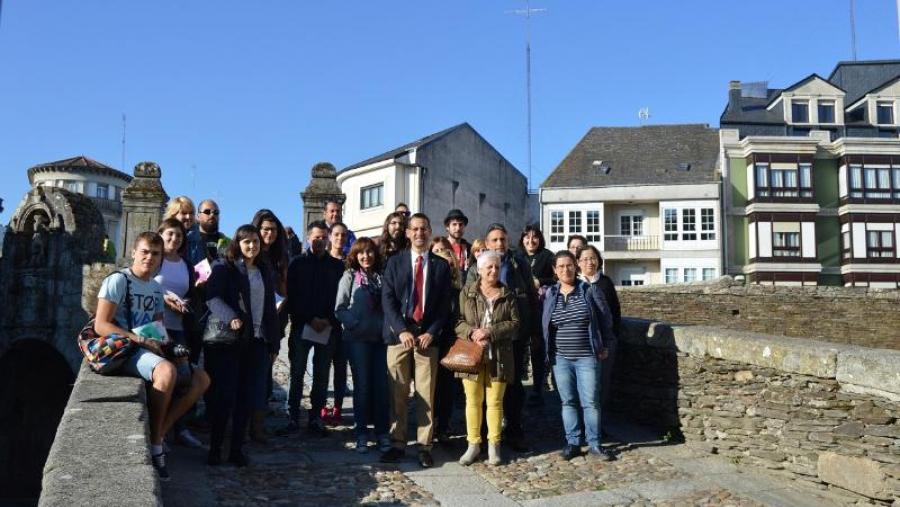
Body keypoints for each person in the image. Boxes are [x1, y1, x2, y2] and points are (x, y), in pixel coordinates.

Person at [95, 232, 209, 481]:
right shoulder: (118, 281)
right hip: (124, 349)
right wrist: (139, 340)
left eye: (155, 254)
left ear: (160, 259)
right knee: (166, 372)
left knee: (200, 379)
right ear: (134, 252)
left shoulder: (156, 288)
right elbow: (101, 325)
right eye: (144, 251)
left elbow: (158, 327)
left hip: (148, 348)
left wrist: (169, 347)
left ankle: (158, 432)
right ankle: (157, 448)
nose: (149, 257)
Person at [204, 225, 280, 467]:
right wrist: (231, 317)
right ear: (238, 243)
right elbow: (212, 297)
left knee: (246, 398)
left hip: (256, 341)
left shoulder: (264, 269)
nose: (252, 246)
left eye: (255, 241)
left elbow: (270, 307)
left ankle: (236, 449)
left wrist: (274, 341)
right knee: (224, 398)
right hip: (230, 341)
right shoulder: (224, 267)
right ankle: (215, 449)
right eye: (246, 241)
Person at [380, 213, 452, 468]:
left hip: (426, 339)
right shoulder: (394, 262)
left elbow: (445, 305)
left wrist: (432, 331)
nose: (419, 233)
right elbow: (387, 299)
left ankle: (424, 445)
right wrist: (400, 330)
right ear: (408, 233)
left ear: (430, 232)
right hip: (398, 337)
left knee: (426, 394)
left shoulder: (441, 266)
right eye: (415, 229)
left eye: (424, 229)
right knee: (397, 393)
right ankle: (397, 443)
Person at [467, 223, 537, 452]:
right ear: (486, 244)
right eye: (494, 240)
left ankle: (514, 431)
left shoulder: (519, 264)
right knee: (485, 388)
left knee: (514, 387)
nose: (499, 244)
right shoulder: (475, 267)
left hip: (513, 337)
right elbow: (468, 300)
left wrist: (531, 328)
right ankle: (486, 435)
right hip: (483, 339)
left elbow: (531, 296)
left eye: (503, 239)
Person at [542, 250, 617, 461]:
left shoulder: (589, 291)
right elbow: (546, 324)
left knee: (591, 402)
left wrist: (606, 345)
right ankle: (573, 442)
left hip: (587, 357)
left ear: (575, 266)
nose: (565, 270)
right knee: (568, 402)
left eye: (569, 265)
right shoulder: (550, 295)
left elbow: (606, 320)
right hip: (561, 358)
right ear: (555, 271)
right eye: (560, 267)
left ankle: (594, 444)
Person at [455, 250, 519, 466]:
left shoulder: (507, 294)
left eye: (497, 267)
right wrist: (473, 333)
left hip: (499, 356)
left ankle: (494, 445)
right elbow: (458, 321)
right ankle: (473, 444)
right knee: (472, 400)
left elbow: (515, 324)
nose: (493, 270)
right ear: (479, 270)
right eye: (489, 267)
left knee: (495, 402)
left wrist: (490, 331)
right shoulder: (468, 292)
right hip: (472, 354)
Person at [281, 220, 345, 437]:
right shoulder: (297, 264)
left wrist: (328, 320)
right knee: (297, 372)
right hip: (302, 325)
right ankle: (292, 416)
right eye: (315, 237)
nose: (319, 240)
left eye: (323, 237)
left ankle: (316, 417)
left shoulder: (337, 266)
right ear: (308, 238)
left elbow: (340, 298)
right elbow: (293, 295)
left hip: (328, 326)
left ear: (328, 238)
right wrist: (309, 318)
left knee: (321, 374)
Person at [154, 218, 209, 449]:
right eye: (170, 235)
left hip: (180, 327)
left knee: (185, 378)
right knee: (164, 380)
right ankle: (160, 433)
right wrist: (164, 298)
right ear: (161, 235)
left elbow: (189, 292)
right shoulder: (154, 259)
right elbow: (143, 284)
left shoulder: (186, 264)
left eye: (178, 236)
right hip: (156, 327)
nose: (174, 239)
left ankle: (176, 428)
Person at [334, 237, 390, 453]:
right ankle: (361, 433)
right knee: (363, 387)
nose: (366, 256)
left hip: (379, 340)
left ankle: (382, 431)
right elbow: (340, 308)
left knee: (381, 387)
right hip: (357, 340)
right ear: (355, 256)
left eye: (369, 252)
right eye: (361, 253)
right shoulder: (349, 276)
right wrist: (354, 324)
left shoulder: (381, 278)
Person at [250, 209, 290, 443]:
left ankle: (258, 426)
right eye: (265, 229)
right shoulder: (249, 254)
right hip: (251, 323)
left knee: (264, 373)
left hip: (274, 322)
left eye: (273, 230)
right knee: (252, 375)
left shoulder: (279, 257)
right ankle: (248, 426)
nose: (269, 233)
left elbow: (285, 290)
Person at [576, 244, 622, 421]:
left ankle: (598, 424)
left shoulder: (605, 282)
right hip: (582, 344)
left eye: (593, 258)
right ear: (578, 262)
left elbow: (615, 312)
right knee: (584, 386)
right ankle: (582, 424)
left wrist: (612, 338)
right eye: (585, 259)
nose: (590, 262)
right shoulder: (575, 283)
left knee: (602, 384)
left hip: (605, 343)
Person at [430, 236, 463, 443]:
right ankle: (430, 424)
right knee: (430, 384)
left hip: (451, 340)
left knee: (447, 386)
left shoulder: (458, 287)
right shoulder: (429, 284)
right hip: (432, 338)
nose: (444, 254)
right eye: (438, 250)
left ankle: (444, 424)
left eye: (447, 250)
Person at [519, 225, 555, 405]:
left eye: (534, 237)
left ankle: (537, 389)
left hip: (539, 310)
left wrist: (540, 281)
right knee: (517, 349)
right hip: (519, 309)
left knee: (537, 349)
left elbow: (557, 278)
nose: (530, 241)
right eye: (527, 237)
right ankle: (515, 388)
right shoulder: (517, 256)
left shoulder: (547, 256)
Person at [324, 221, 350, 424]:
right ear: (330, 236)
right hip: (325, 323)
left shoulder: (350, 262)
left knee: (341, 369)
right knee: (322, 368)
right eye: (337, 234)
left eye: (344, 235)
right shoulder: (322, 260)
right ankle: (323, 406)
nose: (340, 238)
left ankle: (339, 406)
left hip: (344, 325)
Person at [186, 199, 230, 267]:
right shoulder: (187, 241)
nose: (212, 215)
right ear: (198, 216)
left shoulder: (228, 243)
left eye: (216, 212)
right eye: (207, 212)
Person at [443, 209, 472, 274]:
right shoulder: (440, 247)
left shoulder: (470, 249)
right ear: (447, 227)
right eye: (454, 224)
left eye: (461, 224)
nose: (458, 228)